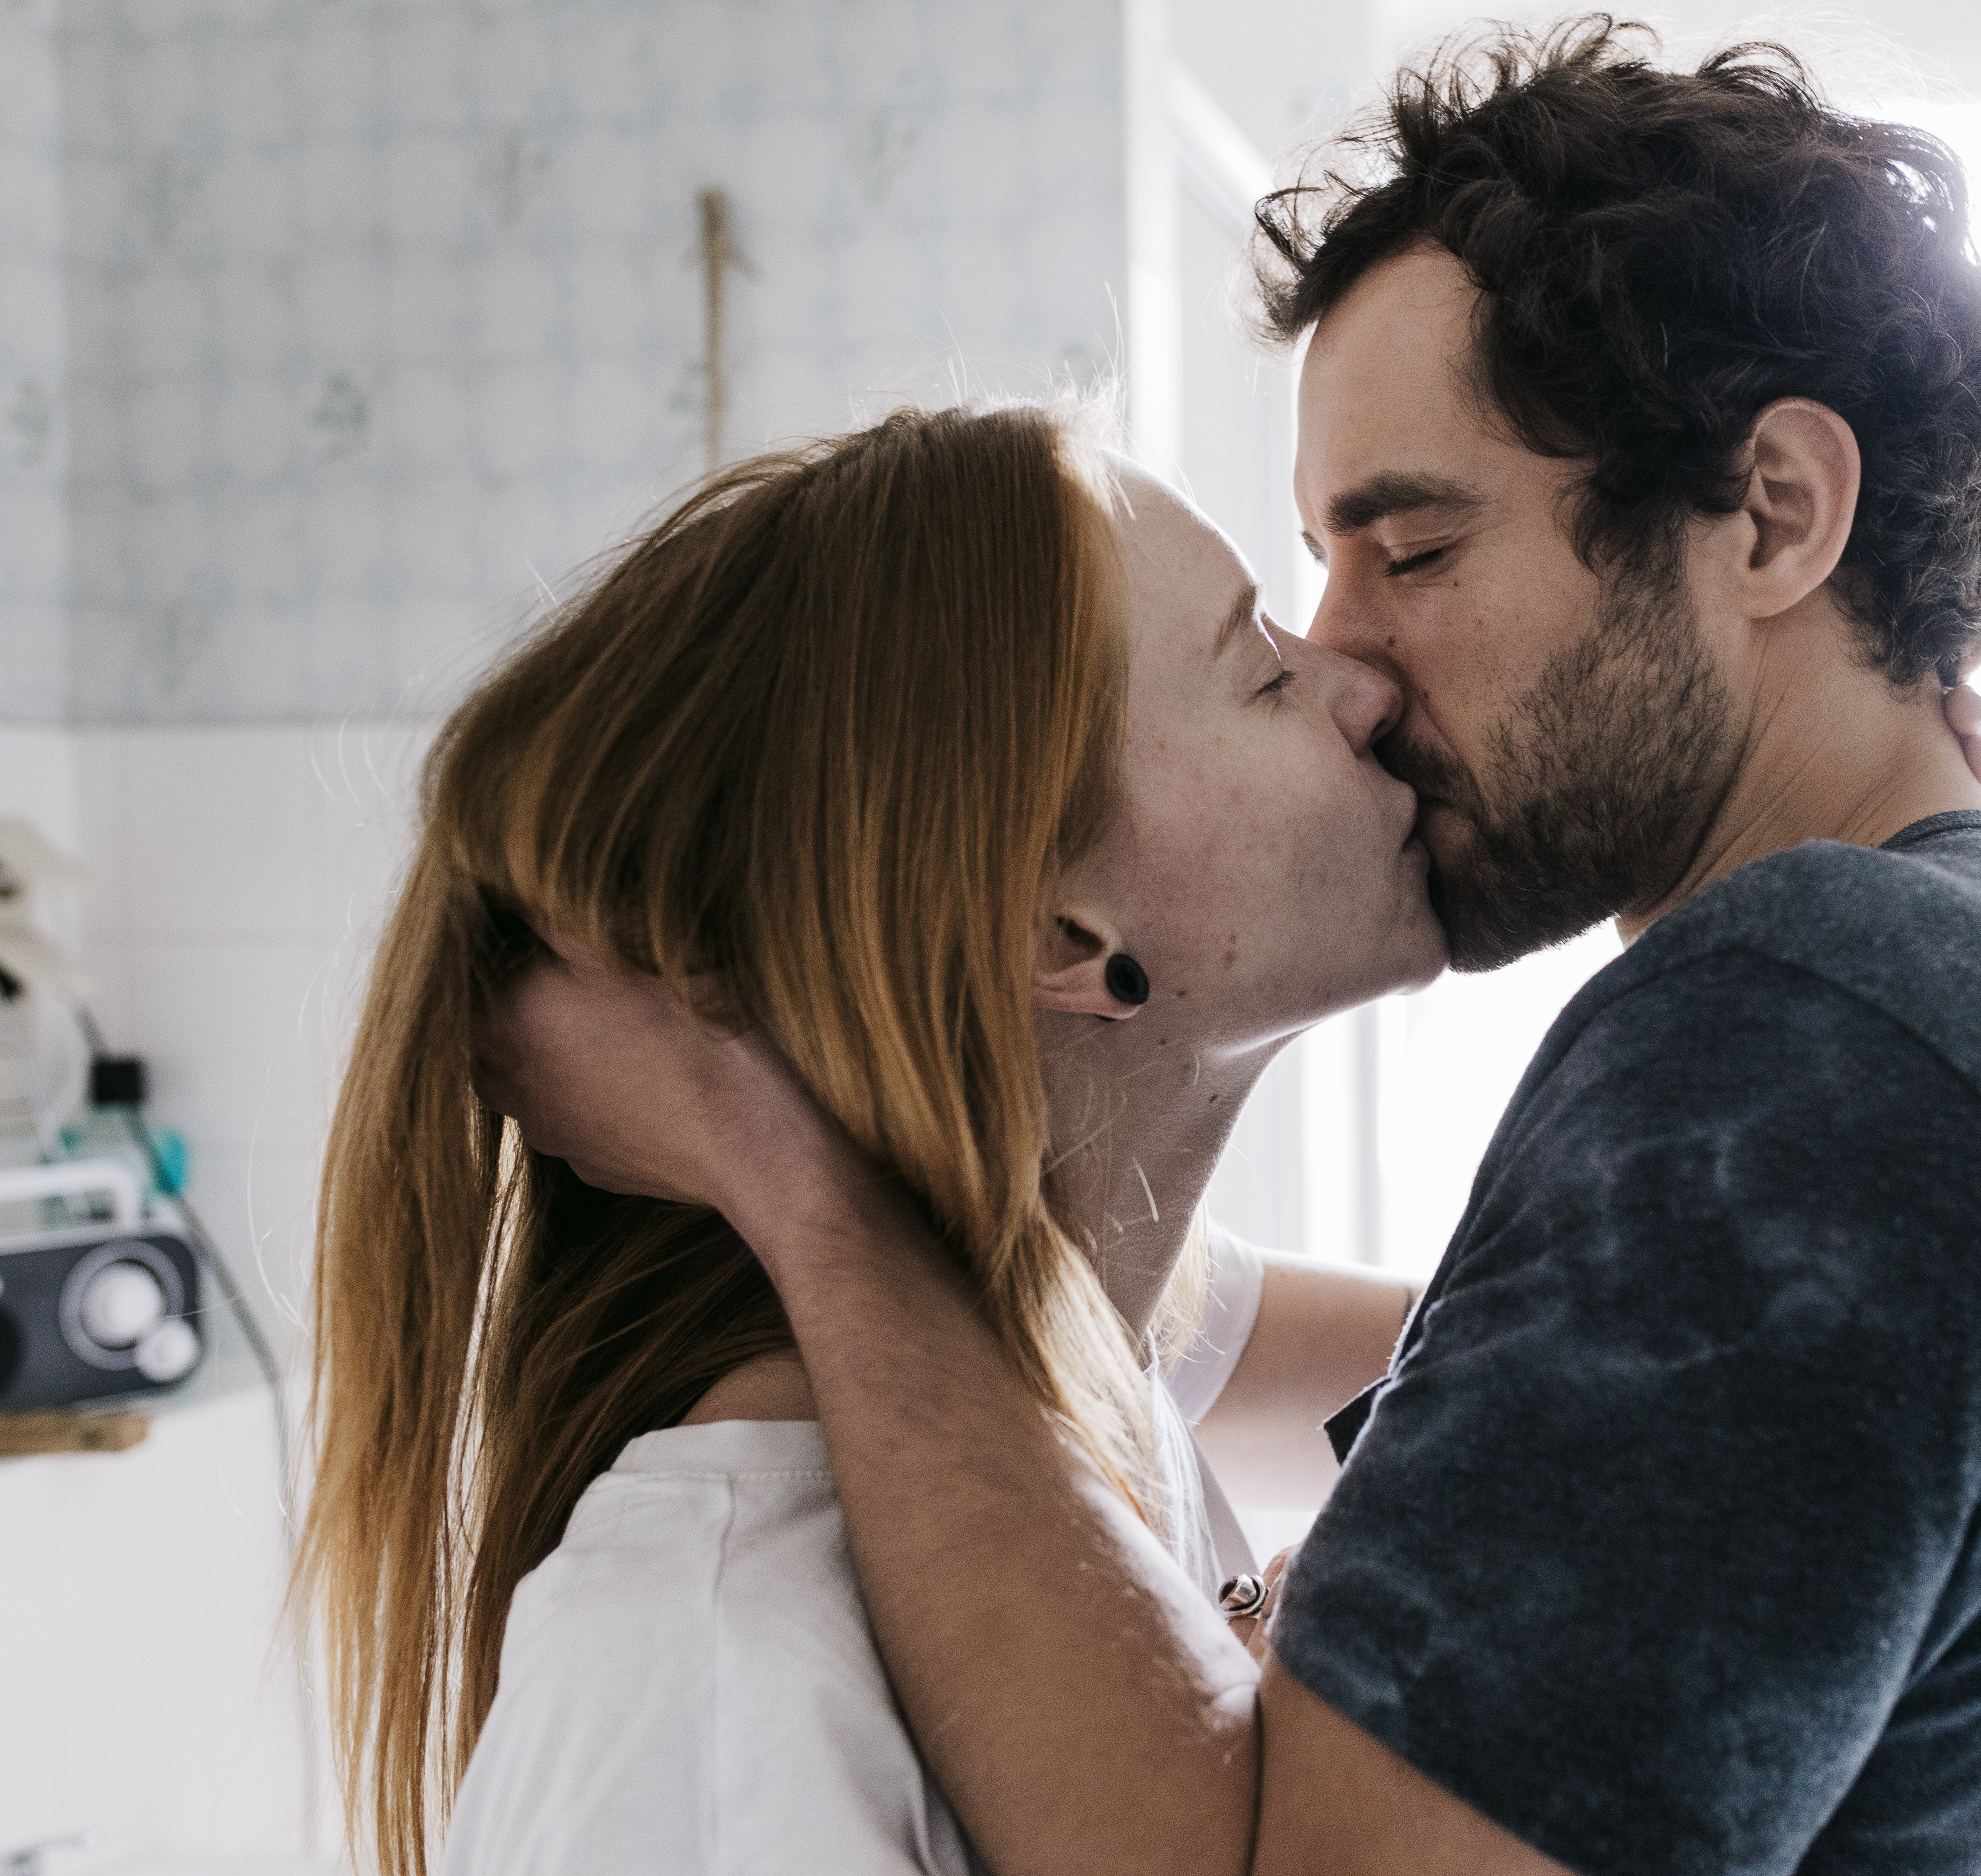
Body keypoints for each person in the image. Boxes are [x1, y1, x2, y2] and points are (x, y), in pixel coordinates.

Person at [479, 19, 1981, 1876]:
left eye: (1413, 552)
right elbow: (1397, 1364)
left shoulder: (1814, 1029)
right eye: (1299, 595)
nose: (1350, 658)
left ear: (1772, 515)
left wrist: (791, 1165)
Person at [294, 402, 1480, 1876]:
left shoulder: (1072, 1332)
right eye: (1258, 669)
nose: (1359, 684)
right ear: (1060, 925)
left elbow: (1501, 1368)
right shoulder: (715, 1681)